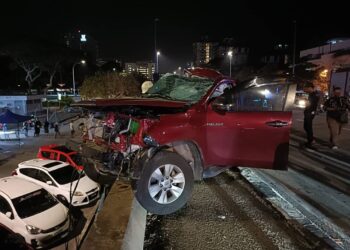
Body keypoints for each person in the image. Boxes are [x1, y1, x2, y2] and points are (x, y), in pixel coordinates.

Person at [303, 82, 320, 147]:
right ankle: (311, 140)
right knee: (306, 126)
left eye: (306, 88)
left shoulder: (314, 95)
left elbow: (310, 104)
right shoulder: (311, 94)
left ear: (310, 88)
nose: (305, 90)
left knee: (308, 127)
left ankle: (311, 141)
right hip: (309, 112)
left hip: (310, 112)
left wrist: (306, 103)